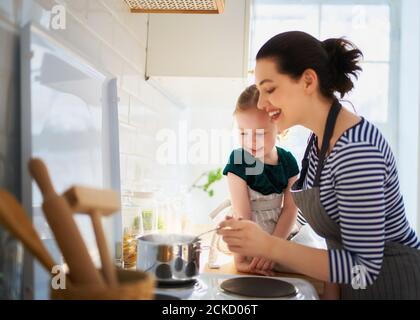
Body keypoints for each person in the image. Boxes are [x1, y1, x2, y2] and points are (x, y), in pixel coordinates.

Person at [218, 31, 420, 299]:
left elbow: (363, 267)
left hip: (392, 286)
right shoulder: (320, 141)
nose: (261, 103)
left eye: (269, 89)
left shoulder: (357, 152)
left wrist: (269, 246)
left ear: (308, 81)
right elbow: (337, 239)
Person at [223, 84, 300, 276]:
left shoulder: (288, 161)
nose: (250, 141)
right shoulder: (239, 161)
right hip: (249, 235)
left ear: (279, 128)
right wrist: (241, 261)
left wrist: (274, 247)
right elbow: (243, 216)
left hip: (280, 234)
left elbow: (290, 209)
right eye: (243, 133)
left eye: (260, 133)